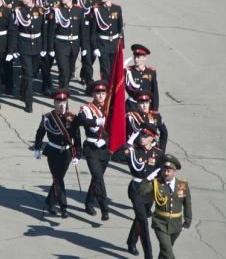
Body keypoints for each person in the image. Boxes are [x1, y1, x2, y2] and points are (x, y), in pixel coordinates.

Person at [34, 89, 91, 218]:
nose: (61, 104)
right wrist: (37, 148)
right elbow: (40, 133)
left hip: (67, 153)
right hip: (53, 152)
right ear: (54, 102)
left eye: (64, 101)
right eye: (59, 101)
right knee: (58, 179)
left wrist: (78, 154)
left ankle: (50, 201)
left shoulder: (72, 117)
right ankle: (63, 207)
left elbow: (77, 137)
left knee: (58, 180)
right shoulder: (48, 117)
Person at [111, 122, 165, 258]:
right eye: (141, 134)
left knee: (142, 216)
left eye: (146, 136)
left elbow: (163, 172)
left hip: (150, 190)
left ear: (152, 138)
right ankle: (149, 255)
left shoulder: (158, 153)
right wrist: (127, 144)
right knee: (143, 223)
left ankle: (131, 241)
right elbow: (115, 157)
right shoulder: (134, 150)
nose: (142, 138)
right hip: (136, 189)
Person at [138, 154, 192, 259]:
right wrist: (148, 178)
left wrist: (187, 221)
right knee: (167, 251)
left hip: (176, 224)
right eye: (164, 170)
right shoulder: (157, 183)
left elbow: (187, 204)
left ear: (174, 172)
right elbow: (141, 191)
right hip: (160, 223)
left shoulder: (182, 185)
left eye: (169, 171)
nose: (166, 173)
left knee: (165, 250)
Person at [77, 81, 112, 220]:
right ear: (93, 94)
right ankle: (104, 208)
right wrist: (96, 122)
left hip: (105, 148)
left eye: (103, 93)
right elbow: (81, 120)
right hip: (91, 147)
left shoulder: (109, 108)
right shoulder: (86, 108)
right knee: (98, 177)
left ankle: (89, 202)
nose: (101, 96)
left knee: (96, 178)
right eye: (98, 93)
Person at [47, 0, 87, 90]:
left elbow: (82, 31)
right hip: (60, 45)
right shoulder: (56, 11)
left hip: (74, 45)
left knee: (70, 71)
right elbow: (51, 31)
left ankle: (64, 88)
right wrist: (50, 48)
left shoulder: (78, 11)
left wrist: (84, 48)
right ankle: (63, 96)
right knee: (64, 71)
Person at [15, 0, 46, 113]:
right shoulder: (19, 11)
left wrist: (44, 46)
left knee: (32, 73)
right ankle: (29, 102)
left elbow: (44, 29)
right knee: (27, 74)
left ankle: (23, 90)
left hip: (37, 45)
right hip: (24, 45)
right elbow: (15, 31)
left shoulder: (39, 10)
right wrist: (15, 48)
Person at [90, 0, 123, 82]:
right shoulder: (96, 9)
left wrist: (122, 46)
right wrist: (95, 47)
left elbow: (120, 29)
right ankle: (105, 90)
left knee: (114, 70)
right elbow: (93, 31)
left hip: (114, 44)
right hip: (102, 45)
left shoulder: (117, 9)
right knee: (105, 70)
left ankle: (111, 92)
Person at [125, 44, 159, 112]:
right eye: (135, 57)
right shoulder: (128, 72)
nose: (136, 59)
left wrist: (155, 109)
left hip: (146, 105)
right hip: (132, 106)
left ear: (144, 57)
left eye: (138, 57)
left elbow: (155, 92)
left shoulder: (151, 72)